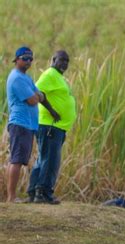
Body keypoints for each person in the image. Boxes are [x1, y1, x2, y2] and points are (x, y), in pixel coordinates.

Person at [5, 47, 57, 203]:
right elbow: (34, 99)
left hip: (28, 125)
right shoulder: (17, 78)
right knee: (16, 160)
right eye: (25, 58)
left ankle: (12, 196)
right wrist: (37, 95)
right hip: (20, 124)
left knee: (20, 160)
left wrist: (38, 95)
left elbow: (40, 94)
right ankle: (11, 197)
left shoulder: (26, 78)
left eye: (30, 59)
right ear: (17, 59)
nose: (28, 61)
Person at [27, 50, 76, 204]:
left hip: (56, 127)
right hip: (50, 126)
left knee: (43, 158)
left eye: (67, 61)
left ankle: (34, 191)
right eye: (62, 60)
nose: (65, 64)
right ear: (53, 59)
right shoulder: (49, 74)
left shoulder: (58, 77)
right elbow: (36, 91)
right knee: (50, 160)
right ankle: (43, 193)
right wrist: (52, 110)